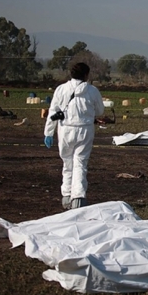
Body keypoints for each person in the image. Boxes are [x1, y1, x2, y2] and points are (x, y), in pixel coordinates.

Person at [43, 63, 105, 210]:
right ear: (86, 75)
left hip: (65, 130)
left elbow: (53, 112)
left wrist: (48, 133)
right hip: (85, 130)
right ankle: (78, 197)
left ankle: (66, 196)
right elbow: (100, 111)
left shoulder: (61, 89)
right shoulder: (92, 90)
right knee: (80, 163)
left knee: (67, 163)